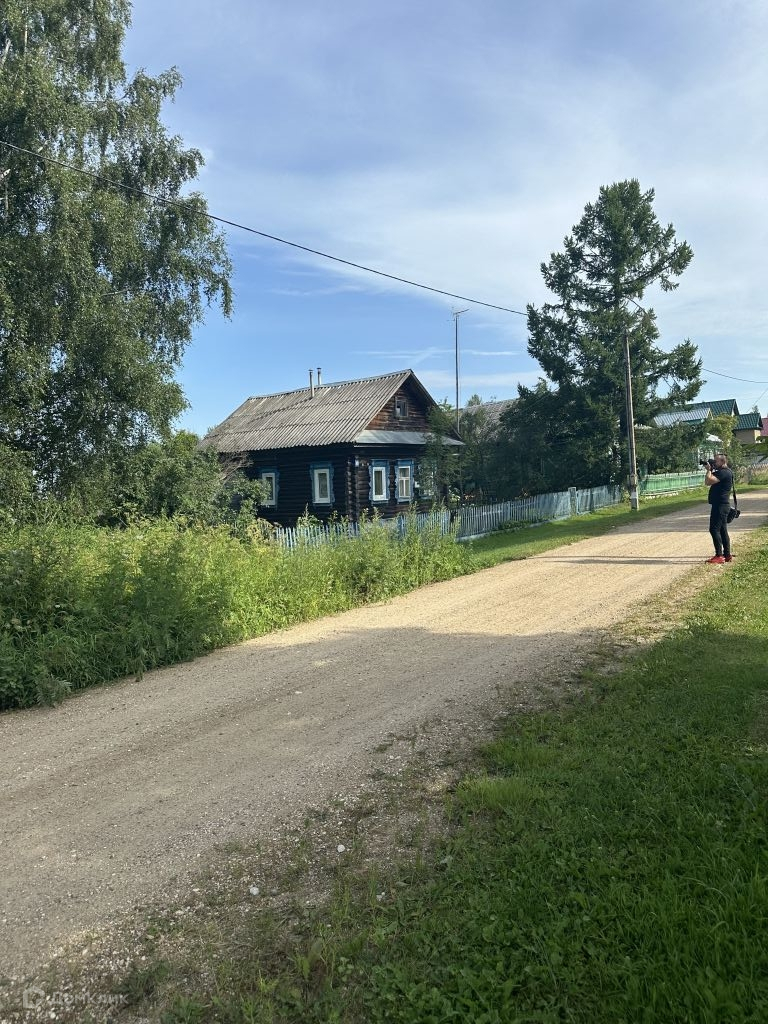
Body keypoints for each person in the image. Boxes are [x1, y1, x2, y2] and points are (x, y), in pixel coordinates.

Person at [703, 454, 734, 564]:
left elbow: (708, 481)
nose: (714, 463)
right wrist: (710, 469)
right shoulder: (725, 471)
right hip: (721, 505)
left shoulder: (723, 472)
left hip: (720, 505)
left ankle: (719, 555)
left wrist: (708, 470)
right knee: (722, 530)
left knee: (714, 529)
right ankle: (727, 555)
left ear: (722, 461)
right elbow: (708, 481)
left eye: (716, 461)